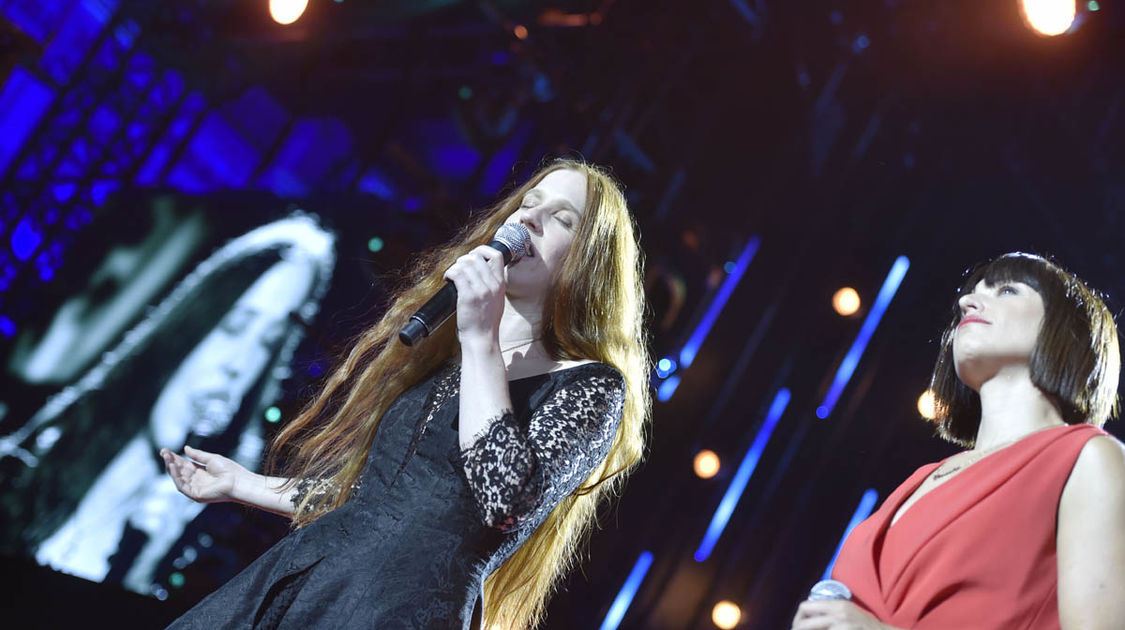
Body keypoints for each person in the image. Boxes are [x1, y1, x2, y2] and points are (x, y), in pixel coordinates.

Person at [159, 158, 651, 630]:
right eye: (530, 202)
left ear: (589, 261)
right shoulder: (452, 352)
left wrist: (481, 338)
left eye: (560, 217)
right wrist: (243, 485)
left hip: (399, 606)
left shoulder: (592, 385)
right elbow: (377, 503)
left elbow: (504, 501)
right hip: (317, 573)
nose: (531, 218)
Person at [0, 214, 335, 595]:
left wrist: (141, 571)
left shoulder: (205, 544)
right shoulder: (23, 464)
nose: (238, 366)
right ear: (188, 325)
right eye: (234, 327)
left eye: (267, 342)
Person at [791, 252, 1125, 630]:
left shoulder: (1089, 458)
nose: (967, 301)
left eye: (1007, 290)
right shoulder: (919, 479)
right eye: (971, 294)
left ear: (1066, 330)